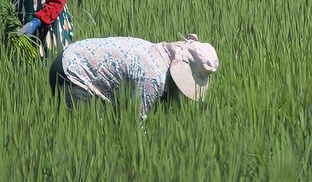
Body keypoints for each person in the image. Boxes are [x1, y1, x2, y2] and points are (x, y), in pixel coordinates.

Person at [49, 33, 219, 120]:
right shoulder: (153, 77)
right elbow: (135, 124)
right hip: (73, 71)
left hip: (73, 58)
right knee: (86, 135)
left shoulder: (161, 54)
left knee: (106, 122)